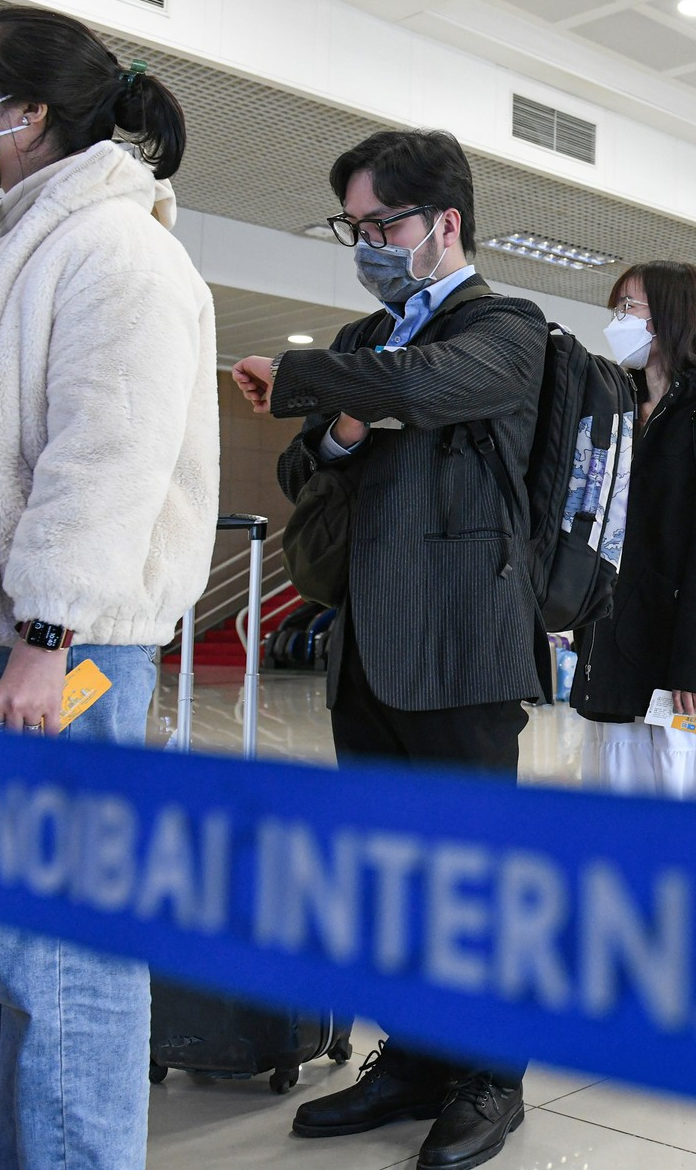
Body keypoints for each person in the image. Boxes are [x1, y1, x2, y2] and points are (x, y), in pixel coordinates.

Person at [0, 6, 213, 1170]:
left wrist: (48, 631)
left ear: (26, 115)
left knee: (60, 951)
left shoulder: (119, 250)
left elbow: (105, 454)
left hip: (59, 650)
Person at [236, 129, 542, 1167]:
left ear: (445, 222)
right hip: (365, 638)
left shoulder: (505, 322)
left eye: (384, 226)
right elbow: (300, 467)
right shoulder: (367, 332)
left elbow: (435, 382)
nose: (366, 245)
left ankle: (490, 1074)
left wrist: (316, 379)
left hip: (462, 643)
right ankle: (412, 1056)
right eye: (353, 228)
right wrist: (339, 424)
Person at [571, 262, 696, 801]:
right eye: (617, 308)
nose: (618, 320)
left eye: (630, 308)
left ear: (673, 317)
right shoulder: (613, 409)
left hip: (688, 661)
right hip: (613, 644)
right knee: (618, 807)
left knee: (695, 805)